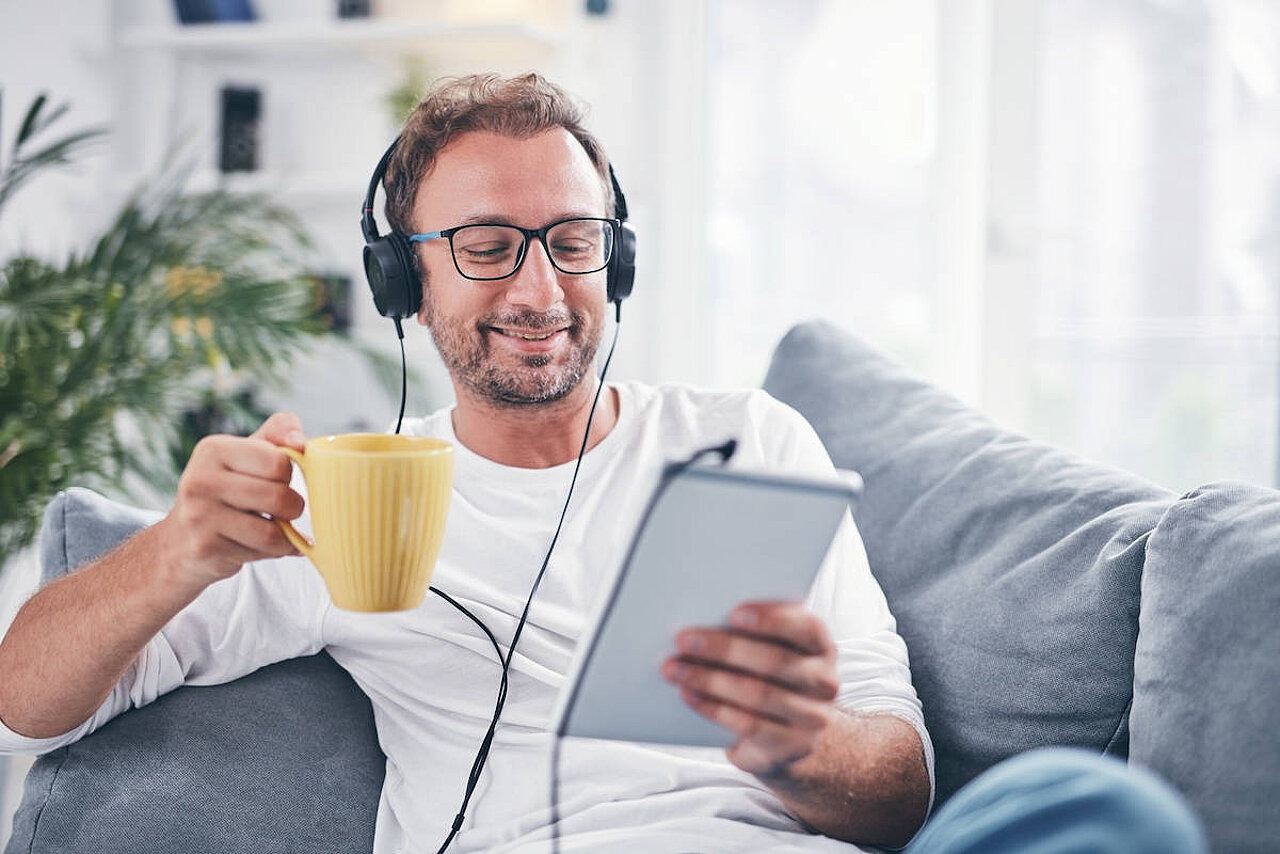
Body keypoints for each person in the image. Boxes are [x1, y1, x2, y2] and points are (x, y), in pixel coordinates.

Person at [0, 74, 1205, 854]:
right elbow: (31, 693)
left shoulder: (747, 435)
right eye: (484, 246)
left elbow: (896, 789)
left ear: (615, 261)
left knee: (1106, 811)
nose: (538, 287)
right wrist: (174, 550)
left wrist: (793, 743)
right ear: (403, 283)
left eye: (572, 241)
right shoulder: (340, 498)